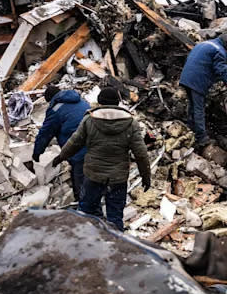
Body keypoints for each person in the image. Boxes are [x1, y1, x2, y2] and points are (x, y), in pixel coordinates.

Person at [53, 87, 151, 231]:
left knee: (86, 211)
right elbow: (141, 154)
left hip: (93, 176)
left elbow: (74, 143)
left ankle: (88, 243)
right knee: (115, 216)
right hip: (118, 178)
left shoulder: (89, 120)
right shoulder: (130, 123)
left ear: (99, 102)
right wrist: (145, 176)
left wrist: (61, 157)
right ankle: (116, 246)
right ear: (118, 102)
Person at [178, 33, 227, 147]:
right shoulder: (219, 50)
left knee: (192, 106)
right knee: (199, 109)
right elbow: (221, 69)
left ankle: (190, 130)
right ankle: (202, 138)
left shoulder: (204, 44)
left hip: (186, 77)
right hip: (197, 80)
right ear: (226, 45)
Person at [32, 83, 90, 202]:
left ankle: (84, 206)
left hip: (78, 148)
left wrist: (37, 152)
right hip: (96, 143)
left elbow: (46, 133)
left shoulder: (55, 110)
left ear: (50, 99)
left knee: (80, 177)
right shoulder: (81, 101)